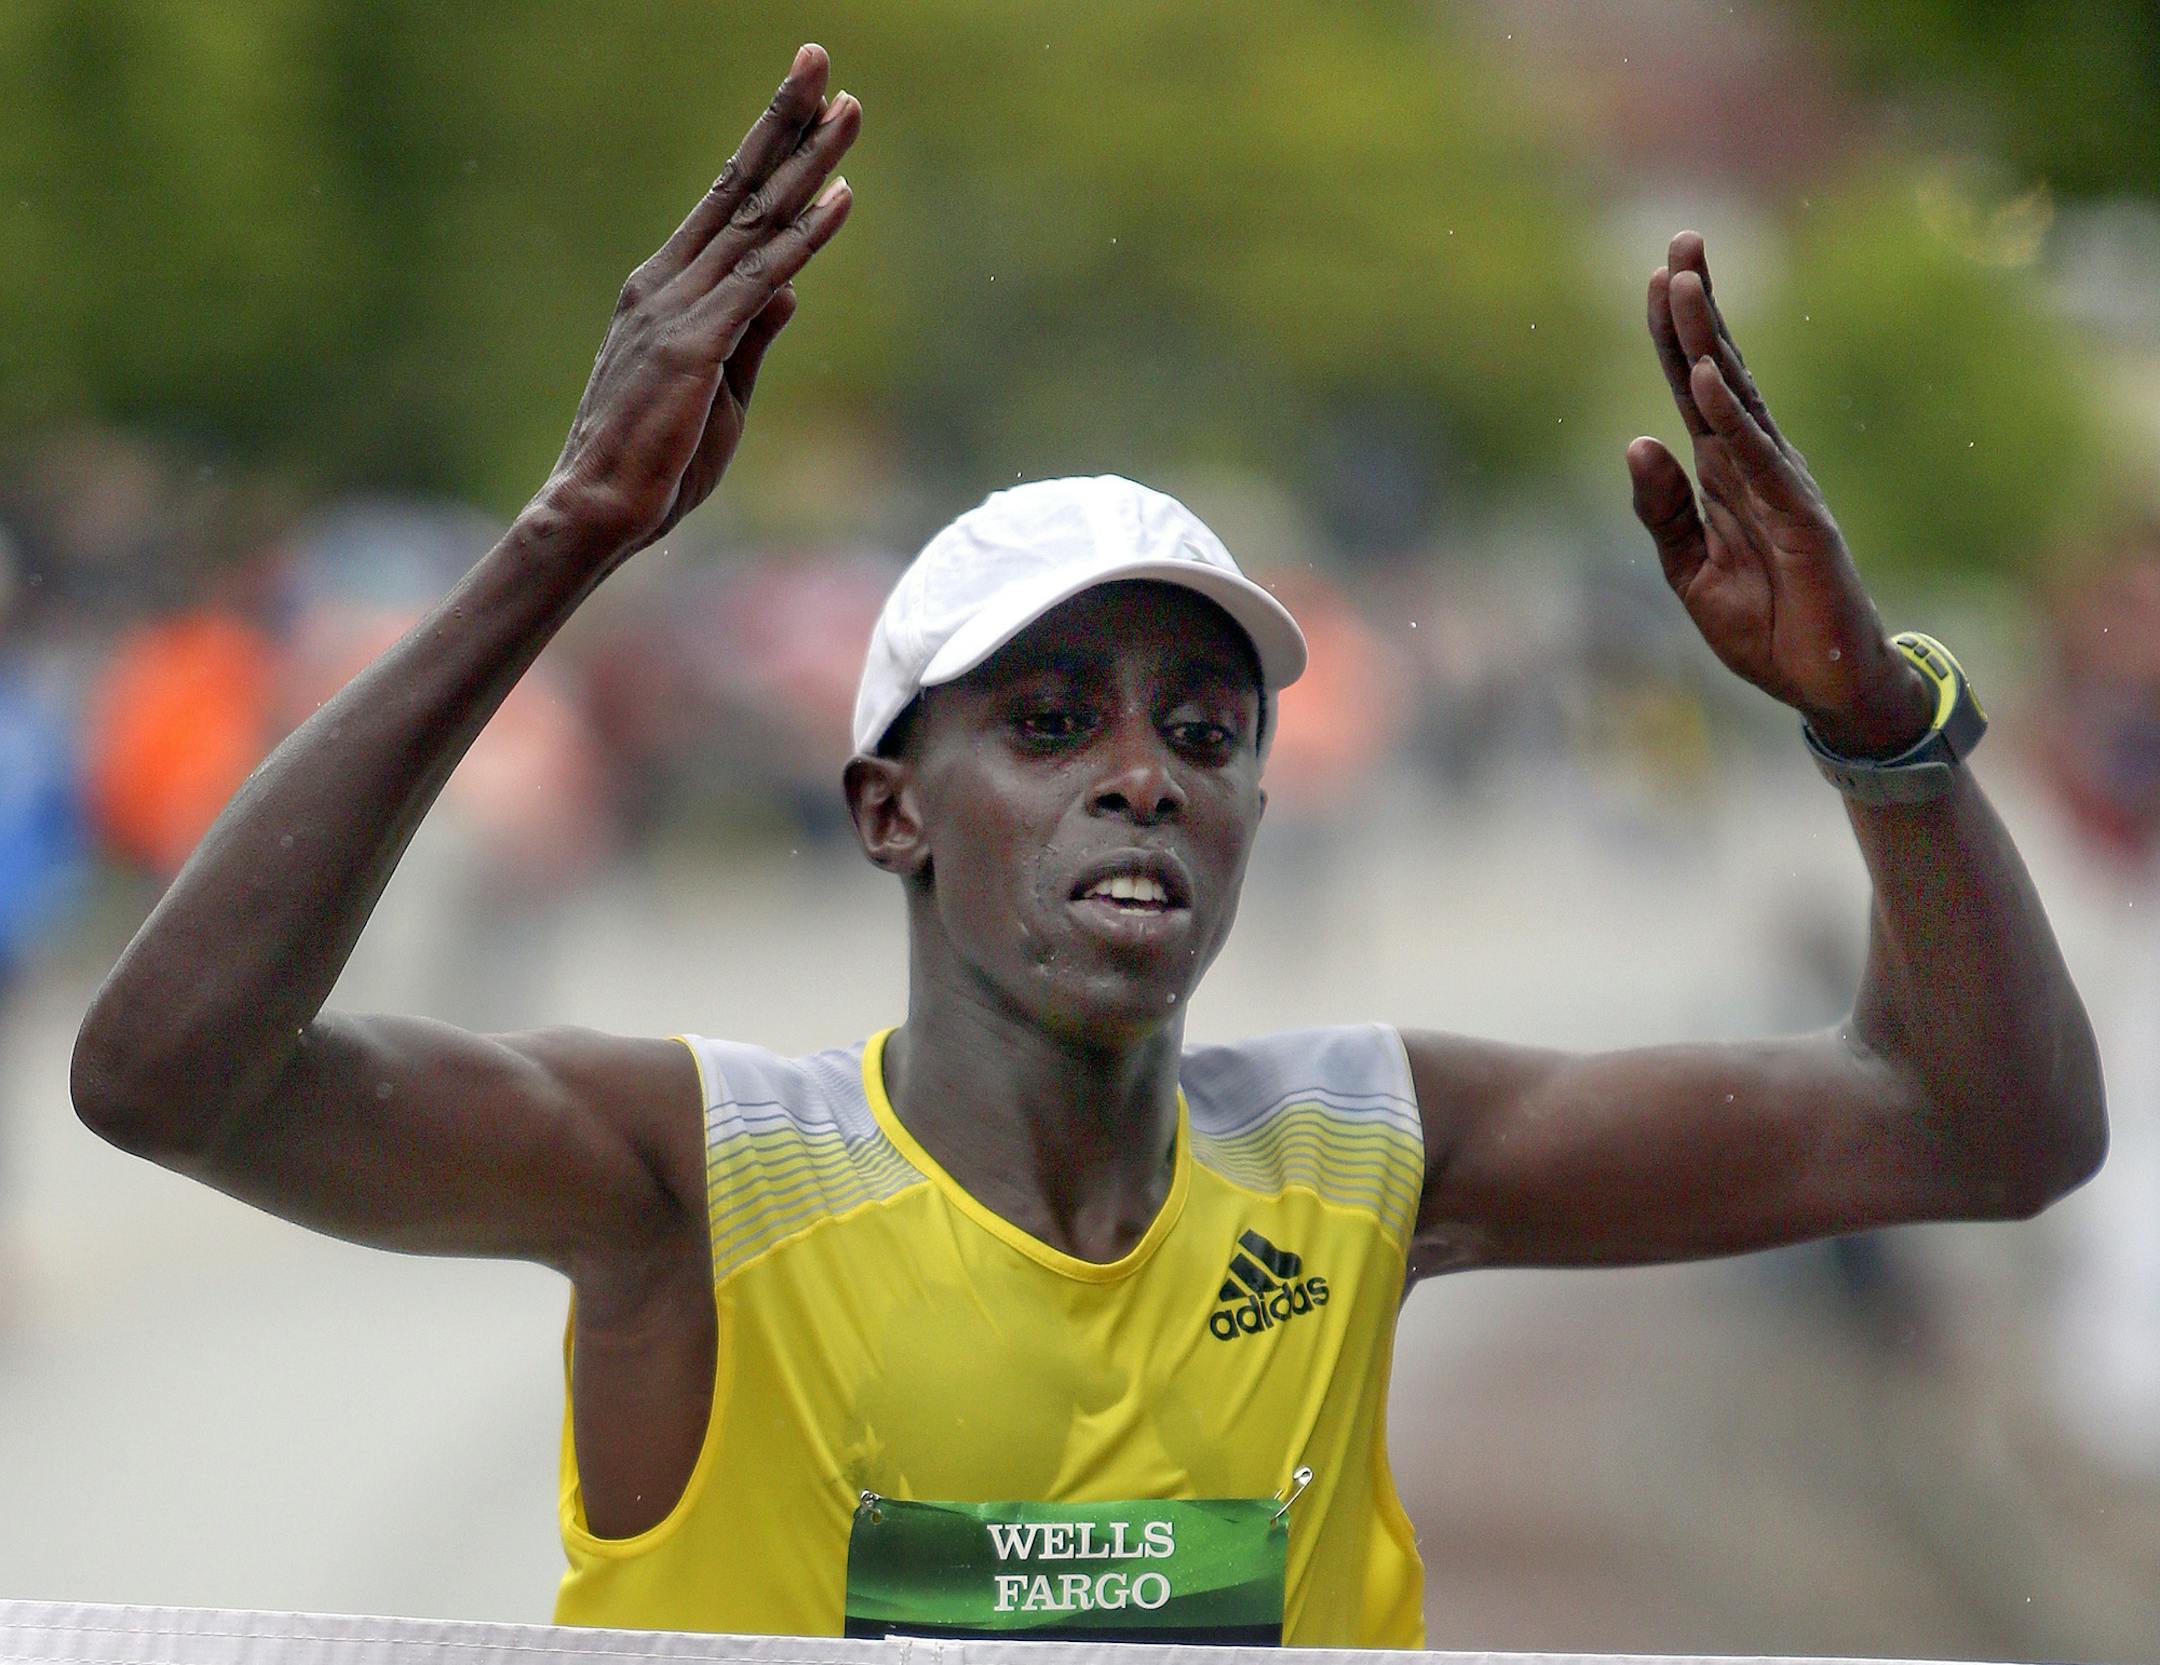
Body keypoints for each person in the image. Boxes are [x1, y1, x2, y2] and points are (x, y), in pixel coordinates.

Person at [70, 43, 2105, 1649]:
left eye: (1202, 729)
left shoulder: (1371, 1157)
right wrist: (568, 537)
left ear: (1254, 807)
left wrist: (1879, 728)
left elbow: (1986, 1130)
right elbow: (165, 1077)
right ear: (889, 804)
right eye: (1048, 724)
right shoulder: (695, 1185)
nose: (1141, 773)